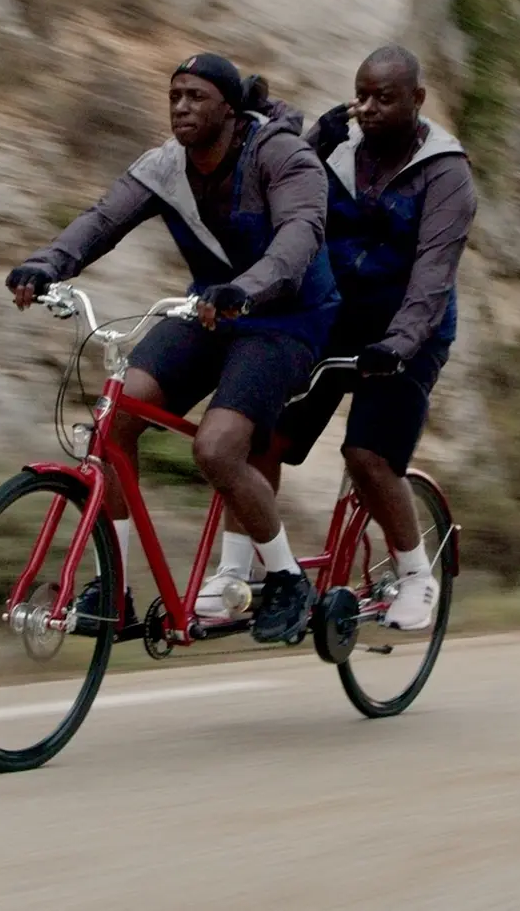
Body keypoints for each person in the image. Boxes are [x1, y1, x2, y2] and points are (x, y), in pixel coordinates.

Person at [3, 53, 339, 644]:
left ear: (231, 112)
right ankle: (115, 588)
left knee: (216, 448)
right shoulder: (166, 165)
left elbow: (298, 239)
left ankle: (286, 580)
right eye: (174, 96)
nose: (181, 107)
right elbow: (103, 218)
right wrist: (46, 264)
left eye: (196, 97)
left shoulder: (283, 156)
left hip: (288, 318)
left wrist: (248, 289)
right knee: (118, 415)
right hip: (209, 310)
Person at [204, 44, 475, 634]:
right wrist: (309, 139)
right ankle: (233, 573)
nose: (369, 108)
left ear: (417, 101)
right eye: (362, 95)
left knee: (367, 455)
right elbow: (278, 164)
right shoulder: (340, 150)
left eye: (386, 98)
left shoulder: (446, 172)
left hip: (411, 331)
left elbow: (432, 279)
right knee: (259, 436)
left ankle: (413, 575)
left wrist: (399, 345)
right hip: (335, 319)